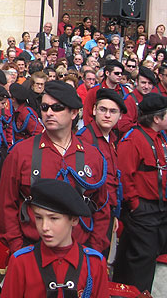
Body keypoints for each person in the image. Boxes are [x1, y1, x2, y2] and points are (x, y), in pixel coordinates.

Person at [0, 81, 110, 257]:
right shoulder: (21, 152)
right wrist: (18, 248)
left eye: (57, 108)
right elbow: (6, 204)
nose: (49, 113)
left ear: (74, 112)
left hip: (80, 252)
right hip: (31, 249)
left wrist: (93, 249)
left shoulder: (92, 155)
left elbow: (102, 207)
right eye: (44, 107)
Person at [1, 179, 109, 298]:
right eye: (38, 218)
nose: (44, 227)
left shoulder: (94, 264)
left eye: (53, 219)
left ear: (74, 220)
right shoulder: (21, 262)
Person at [114, 93, 167, 292]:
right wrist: (136, 205)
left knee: (144, 255)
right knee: (141, 261)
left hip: (160, 208)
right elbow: (125, 176)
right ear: (156, 118)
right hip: (143, 209)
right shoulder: (134, 139)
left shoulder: (161, 138)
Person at [76, 88, 126, 237]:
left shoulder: (111, 139)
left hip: (108, 210)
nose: (107, 115)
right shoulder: (84, 139)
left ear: (120, 116)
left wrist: (114, 213)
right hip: (90, 212)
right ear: (94, 110)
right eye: (103, 109)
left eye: (113, 111)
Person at [83, 59, 137, 134]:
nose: (120, 76)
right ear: (107, 73)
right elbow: (87, 116)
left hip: (120, 134)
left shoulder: (126, 91)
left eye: (121, 73)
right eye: (117, 73)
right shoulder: (94, 91)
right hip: (98, 133)